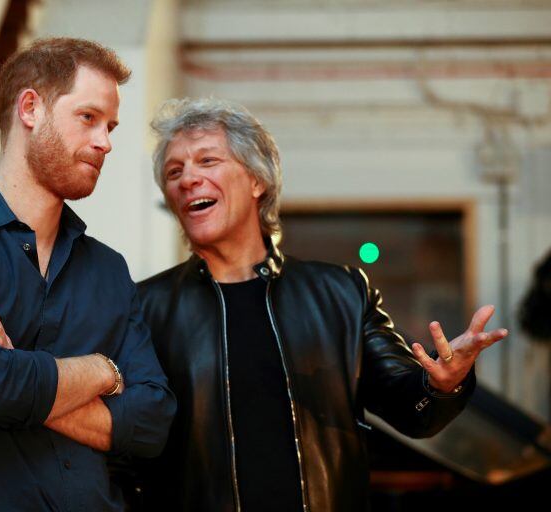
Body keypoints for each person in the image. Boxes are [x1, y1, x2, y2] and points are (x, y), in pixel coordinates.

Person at [134, 97, 508, 511]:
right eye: (174, 171)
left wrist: (443, 384)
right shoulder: (145, 309)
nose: (187, 179)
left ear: (257, 180)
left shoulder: (340, 293)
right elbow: (129, 449)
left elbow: (412, 411)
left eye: (207, 161)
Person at [0, 38, 175, 512]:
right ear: (30, 108)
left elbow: (151, 423)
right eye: (89, 118)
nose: (106, 142)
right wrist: (104, 371)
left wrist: (19, 370)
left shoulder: (107, 269)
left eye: (111, 127)